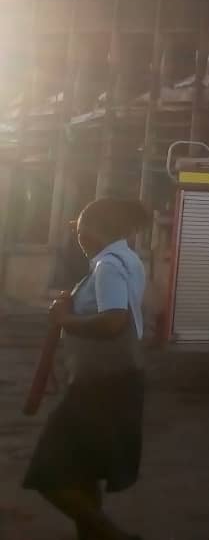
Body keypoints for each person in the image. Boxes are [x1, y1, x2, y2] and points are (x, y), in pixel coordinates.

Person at [22, 197, 151, 540]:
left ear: (95, 231)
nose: (78, 238)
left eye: (80, 231)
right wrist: (73, 305)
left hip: (99, 388)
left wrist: (64, 319)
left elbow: (113, 322)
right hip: (117, 382)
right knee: (82, 473)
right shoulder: (128, 260)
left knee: (48, 474)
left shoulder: (107, 265)